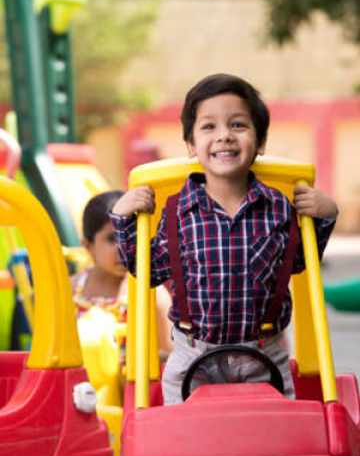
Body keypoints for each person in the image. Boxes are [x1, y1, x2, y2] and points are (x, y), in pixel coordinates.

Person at [110, 74, 338, 405]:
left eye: (238, 125)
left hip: (262, 354)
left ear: (260, 142)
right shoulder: (176, 212)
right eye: (209, 127)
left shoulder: (278, 209)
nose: (224, 136)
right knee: (187, 439)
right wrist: (123, 218)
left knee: (273, 436)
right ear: (190, 144)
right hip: (193, 355)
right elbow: (147, 271)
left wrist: (324, 217)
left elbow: (299, 262)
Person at [71, 190, 173, 363]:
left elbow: (173, 357)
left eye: (130, 237)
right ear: (88, 246)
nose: (122, 248)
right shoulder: (71, 290)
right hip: (79, 388)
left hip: (133, 389)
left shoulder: (152, 294)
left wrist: (139, 359)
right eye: (112, 239)